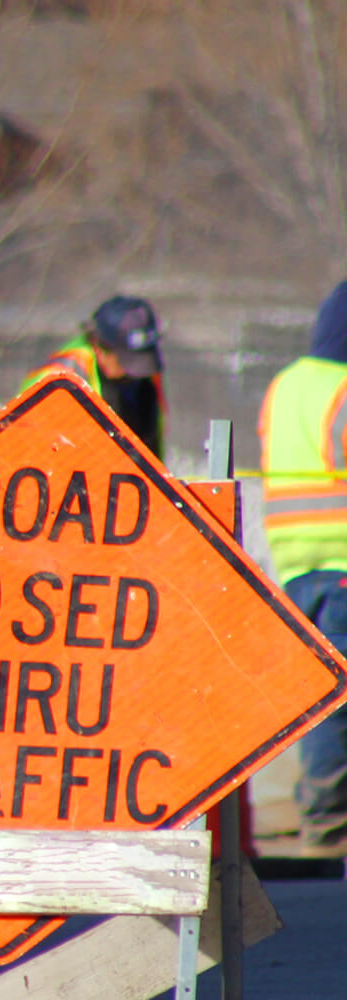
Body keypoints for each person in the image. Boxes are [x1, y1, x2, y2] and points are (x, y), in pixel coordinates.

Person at [260, 279, 347, 855]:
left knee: (323, 690)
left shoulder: (286, 383)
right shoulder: (342, 388)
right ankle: (330, 822)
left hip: (294, 558)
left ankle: (321, 812)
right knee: (339, 696)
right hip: (343, 555)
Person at [23, 295, 166, 456]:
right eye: (127, 361)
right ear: (99, 347)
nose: (134, 374)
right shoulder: (59, 379)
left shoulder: (145, 378)